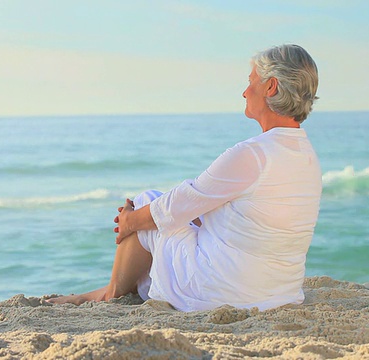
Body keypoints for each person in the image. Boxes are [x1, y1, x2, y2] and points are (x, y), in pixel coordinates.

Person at [48, 44, 322, 311]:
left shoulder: (252, 154)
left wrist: (129, 220)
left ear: (270, 87)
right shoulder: (306, 155)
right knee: (161, 212)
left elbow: (178, 205)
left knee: (148, 202)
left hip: (223, 292)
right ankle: (115, 289)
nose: (244, 92)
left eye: (251, 82)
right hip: (279, 294)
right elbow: (232, 215)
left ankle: (111, 293)